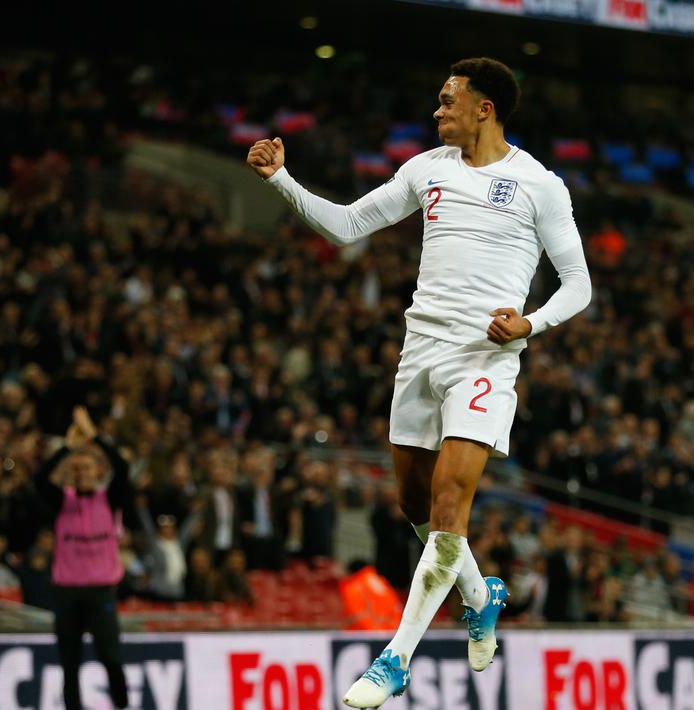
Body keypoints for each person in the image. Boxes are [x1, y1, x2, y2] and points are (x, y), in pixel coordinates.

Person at [248, 56, 591, 707]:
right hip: (420, 357)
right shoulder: (426, 170)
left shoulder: (537, 185)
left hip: (484, 363)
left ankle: (394, 658)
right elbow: (347, 225)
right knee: (413, 507)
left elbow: (577, 284)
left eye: (445, 101)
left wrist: (529, 324)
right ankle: (479, 593)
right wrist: (281, 179)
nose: (436, 113)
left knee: (445, 513)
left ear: (482, 108)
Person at [37, 407, 131, 710]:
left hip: (101, 590)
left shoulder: (110, 499)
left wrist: (94, 437)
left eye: (87, 468)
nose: (81, 473)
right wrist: (67, 447)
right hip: (67, 592)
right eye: (76, 469)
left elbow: (123, 467)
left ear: (97, 472)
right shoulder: (61, 503)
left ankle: (122, 706)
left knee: (111, 657)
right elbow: (39, 478)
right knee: (69, 663)